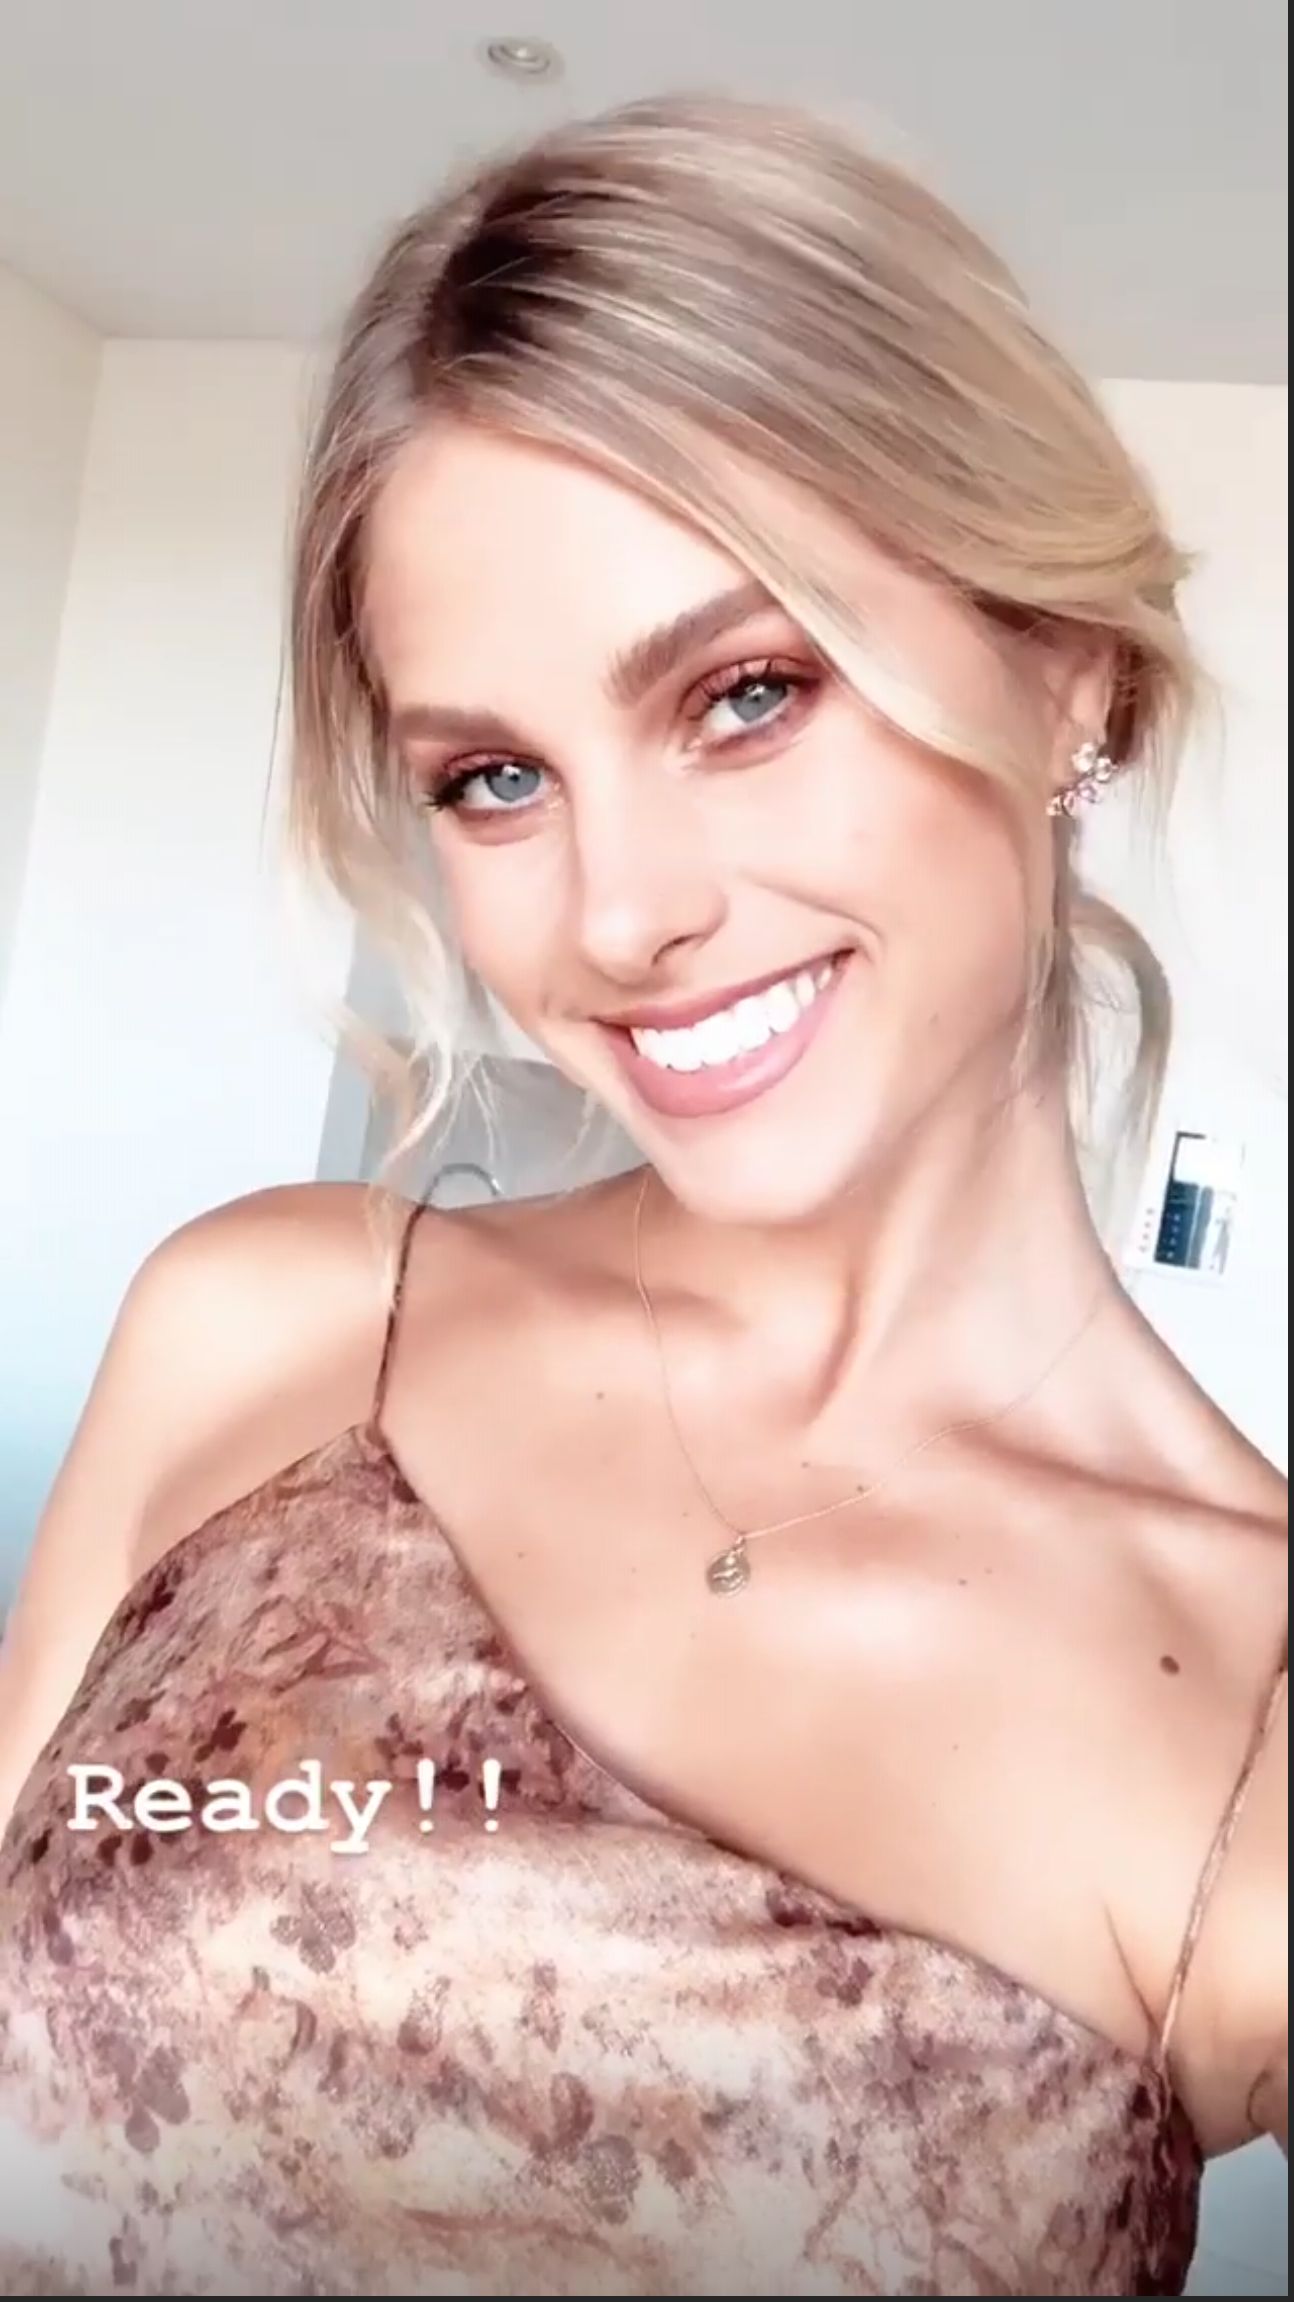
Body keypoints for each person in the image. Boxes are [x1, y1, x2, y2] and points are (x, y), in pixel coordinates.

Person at [0, 92, 1285, 2299]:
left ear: (1065, 668)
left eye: (744, 694)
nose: (615, 913)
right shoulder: (269, 1327)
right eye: (493, 776)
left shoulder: (1250, 1703)